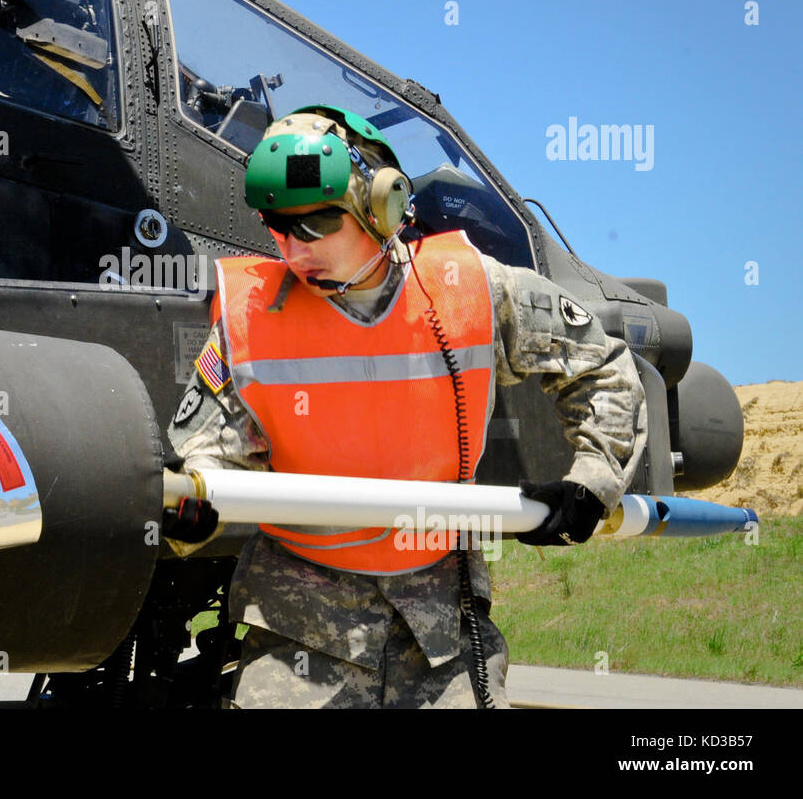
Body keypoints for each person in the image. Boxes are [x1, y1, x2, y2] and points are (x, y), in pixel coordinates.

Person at [163, 105, 647, 708]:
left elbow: (600, 366)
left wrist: (592, 480)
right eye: (278, 227)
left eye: (316, 223)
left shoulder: (473, 290)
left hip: (442, 633)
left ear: (382, 205)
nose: (294, 247)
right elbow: (204, 454)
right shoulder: (248, 317)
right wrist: (193, 507)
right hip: (300, 638)